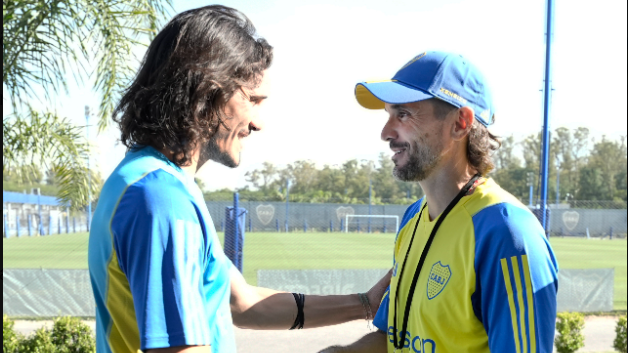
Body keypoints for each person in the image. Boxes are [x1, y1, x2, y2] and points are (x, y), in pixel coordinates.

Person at [88, 5, 390, 353]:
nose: (259, 122)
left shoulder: (148, 179)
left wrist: (365, 303)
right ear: (205, 92)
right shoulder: (160, 198)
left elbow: (241, 302)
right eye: (253, 100)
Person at [320, 51, 559, 352]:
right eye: (388, 114)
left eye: (403, 114)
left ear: (460, 122)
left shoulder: (507, 233)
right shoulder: (412, 219)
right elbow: (393, 337)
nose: (386, 132)